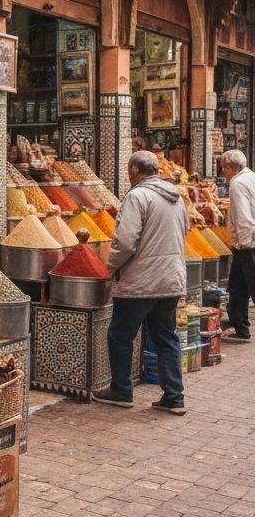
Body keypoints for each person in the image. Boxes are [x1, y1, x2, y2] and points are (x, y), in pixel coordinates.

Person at [93, 150, 188, 415]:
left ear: (135, 171)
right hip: (170, 278)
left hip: (141, 281)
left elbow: (125, 241)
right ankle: (174, 396)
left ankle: (122, 390)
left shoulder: (137, 196)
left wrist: (109, 265)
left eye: (129, 171)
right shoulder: (175, 196)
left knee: (120, 335)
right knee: (166, 337)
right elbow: (185, 230)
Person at [221, 149, 255, 342]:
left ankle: (241, 325)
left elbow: (243, 217)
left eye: (223, 169)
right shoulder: (251, 176)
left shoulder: (237, 183)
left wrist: (244, 244)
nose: (223, 173)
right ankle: (241, 327)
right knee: (237, 287)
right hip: (246, 242)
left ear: (228, 167)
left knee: (249, 284)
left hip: (248, 243)